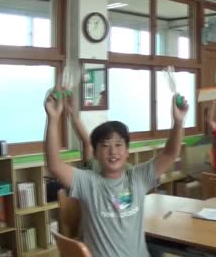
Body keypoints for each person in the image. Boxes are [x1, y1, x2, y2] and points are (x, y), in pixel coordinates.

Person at [44, 89, 188, 257]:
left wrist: (178, 122)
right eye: (105, 145)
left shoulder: (138, 178)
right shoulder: (88, 182)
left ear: (127, 151)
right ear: (95, 153)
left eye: (119, 145)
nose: (113, 151)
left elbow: (170, 154)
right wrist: (53, 119)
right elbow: (54, 165)